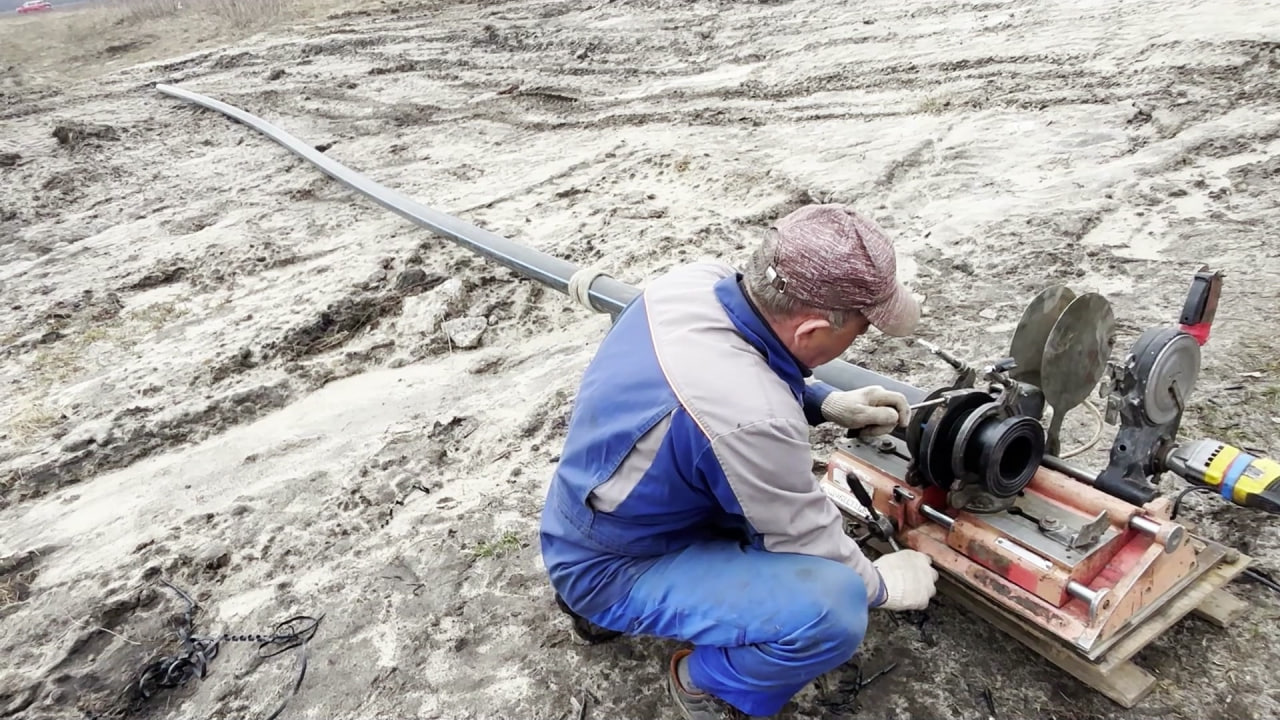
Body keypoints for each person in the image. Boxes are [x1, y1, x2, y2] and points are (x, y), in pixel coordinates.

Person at [538, 203, 940, 719]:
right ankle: (704, 683)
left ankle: (610, 606)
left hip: (582, 513)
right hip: (611, 567)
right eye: (859, 331)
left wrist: (821, 401)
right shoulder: (752, 419)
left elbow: (732, 375)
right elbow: (809, 540)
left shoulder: (688, 284)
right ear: (814, 329)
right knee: (834, 608)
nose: (857, 340)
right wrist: (884, 584)